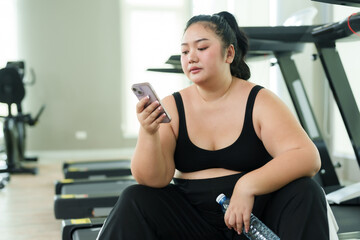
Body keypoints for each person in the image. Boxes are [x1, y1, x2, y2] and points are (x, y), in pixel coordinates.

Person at [97, 11, 329, 240]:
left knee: (306, 191)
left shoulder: (260, 100)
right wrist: (149, 132)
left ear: (229, 53)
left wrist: (247, 185)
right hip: (190, 223)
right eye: (185, 51)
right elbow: (154, 179)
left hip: (252, 218)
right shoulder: (172, 106)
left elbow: (307, 156)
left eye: (202, 48)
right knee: (134, 197)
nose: (191, 57)